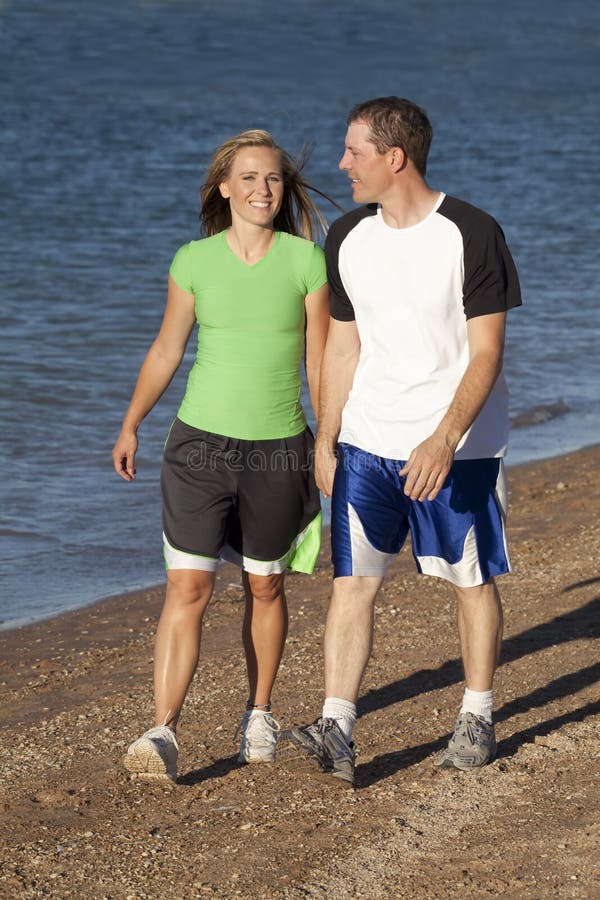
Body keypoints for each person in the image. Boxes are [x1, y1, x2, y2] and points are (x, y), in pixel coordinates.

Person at [279, 97, 522, 786]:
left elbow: (486, 355)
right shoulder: (349, 237)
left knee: (469, 582)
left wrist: (444, 439)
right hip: (367, 441)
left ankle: (477, 715)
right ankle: (338, 727)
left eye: (353, 151)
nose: (340, 164)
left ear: (395, 157)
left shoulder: (472, 233)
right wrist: (327, 436)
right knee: (352, 583)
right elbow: (342, 348)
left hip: (459, 450)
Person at [112, 130, 331, 783]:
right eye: (250, 178)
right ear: (224, 188)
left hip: (278, 448)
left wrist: (329, 438)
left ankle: (258, 712)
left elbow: (320, 358)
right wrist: (131, 424)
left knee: (265, 584)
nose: (263, 189)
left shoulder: (306, 262)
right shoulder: (193, 262)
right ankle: (163, 731)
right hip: (198, 445)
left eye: (273, 179)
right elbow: (165, 350)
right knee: (189, 585)